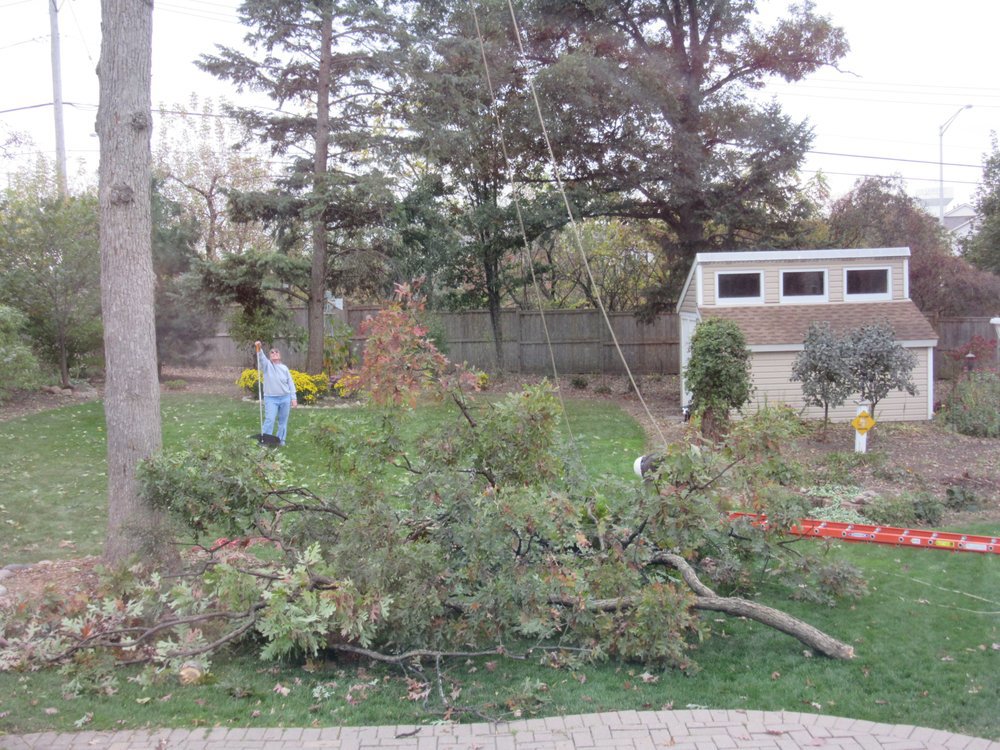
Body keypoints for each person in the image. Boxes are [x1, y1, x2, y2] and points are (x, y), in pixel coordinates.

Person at [255, 341, 297, 446]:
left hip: (285, 398)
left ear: (280, 356)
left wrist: (293, 398)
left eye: (276, 352)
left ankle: (280, 440)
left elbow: (290, 383)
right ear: (270, 356)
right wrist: (259, 348)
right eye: (272, 353)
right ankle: (265, 440)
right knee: (270, 419)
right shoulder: (267, 366)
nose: (274, 353)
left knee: (283, 421)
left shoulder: (284, 368)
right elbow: (262, 358)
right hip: (271, 398)